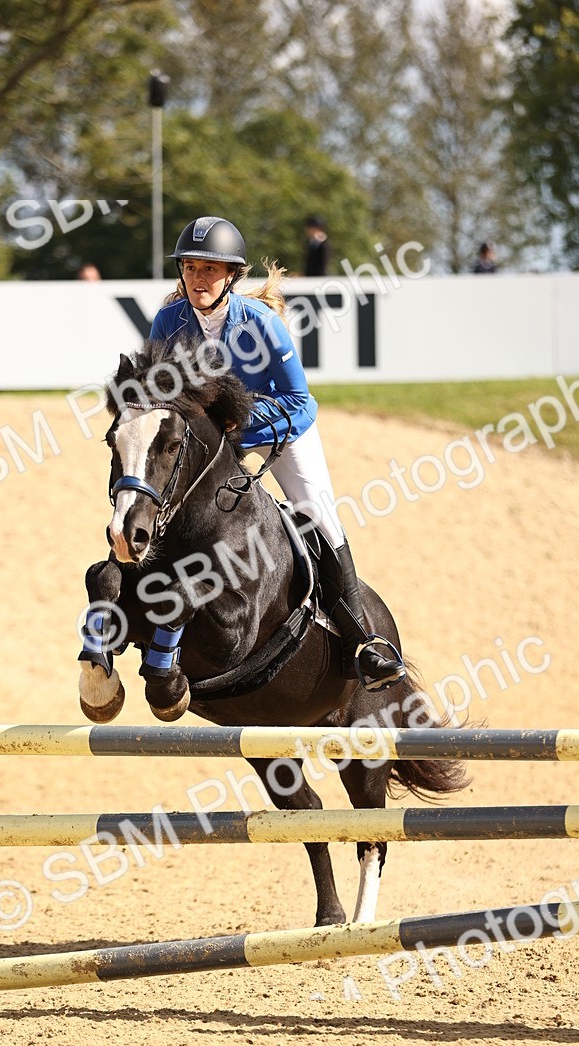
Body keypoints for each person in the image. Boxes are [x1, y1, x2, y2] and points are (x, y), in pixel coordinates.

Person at [148, 215, 405, 692]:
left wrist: (240, 432)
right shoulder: (169, 322)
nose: (198, 279)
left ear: (232, 277)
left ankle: (364, 642)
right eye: (190, 268)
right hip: (215, 442)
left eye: (210, 269)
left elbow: (302, 403)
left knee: (318, 513)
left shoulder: (260, 322)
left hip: (280, 430)